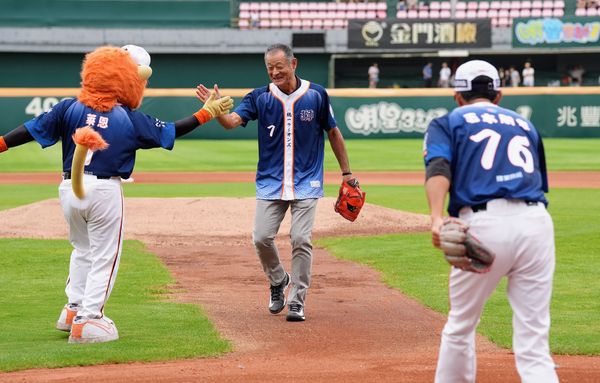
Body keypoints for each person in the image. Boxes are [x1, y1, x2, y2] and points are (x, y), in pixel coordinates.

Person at [0, 45, 233, 343]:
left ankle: (72, 309)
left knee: (82, 249)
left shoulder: (69, 107)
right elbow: (170, 131)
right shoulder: (128, 118)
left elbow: (30, 130)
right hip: (104, 189)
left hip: (69, 187)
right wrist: (205, 113)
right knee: (105, 256)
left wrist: (1, 144)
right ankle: (90, 319)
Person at [196, 43, 355, 322]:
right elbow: (231, 122)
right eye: (269, 67)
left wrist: (346, 173)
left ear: (293, 64)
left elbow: (333, 132)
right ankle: (279, 279)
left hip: (308, 181)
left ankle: (297, 299)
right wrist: (214, 110)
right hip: (271, 182)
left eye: (279, 66)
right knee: (261, 237)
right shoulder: (259, 97)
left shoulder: (316, 94)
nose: (274, 72)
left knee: (301, 238)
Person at [423, 59, 559, 382]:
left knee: (460, 327)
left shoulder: (447, 122)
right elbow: (538, 183)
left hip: (483, 226)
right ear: (498, 95)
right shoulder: (525, 125)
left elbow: (438, 168)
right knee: (534, 341)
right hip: (536, 223)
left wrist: (436, 217)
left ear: (457, 96)